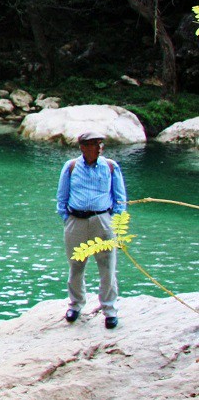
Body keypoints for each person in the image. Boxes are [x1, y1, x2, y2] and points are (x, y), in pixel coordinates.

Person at [56, 130, 127, 329]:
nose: (99, 148)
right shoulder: (70, 167)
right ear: (83, 147)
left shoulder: (111, 167)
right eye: (94, 144)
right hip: (76, 220)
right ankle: (76, 305)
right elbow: (61, 197)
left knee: (107, 267)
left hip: (102, 219)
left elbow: (120, 198)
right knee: (76, 265)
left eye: (100, 144)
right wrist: (66, 218)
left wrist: (114, 221)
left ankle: (109, 309)